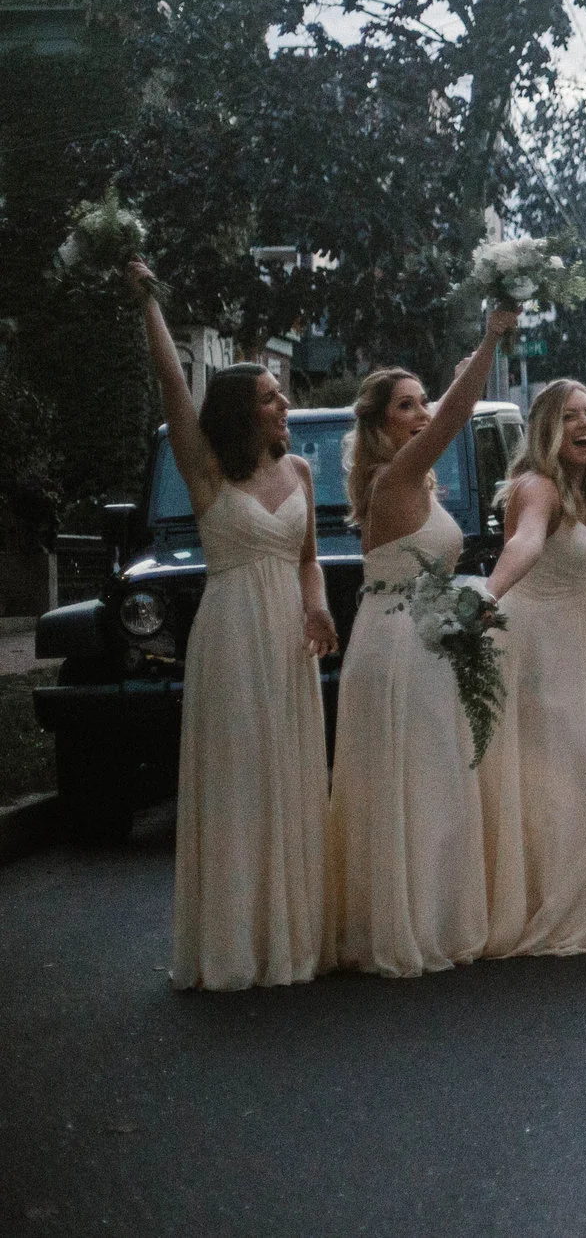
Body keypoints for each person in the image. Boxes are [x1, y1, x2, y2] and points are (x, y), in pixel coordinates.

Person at [127, 262, 334, 990]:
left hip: (287, 635)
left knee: (292, 776)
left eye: (281, 395)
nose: (284, 405)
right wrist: (150, 297)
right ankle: (237, 941)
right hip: (232, 633)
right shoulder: (207, 468)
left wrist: (319, 603)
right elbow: (171, 383)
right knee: (242, 780)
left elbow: (308, 559)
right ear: (242, 409)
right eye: (272, 397)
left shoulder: (303, 472)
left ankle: (292, 934)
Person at [328, 303, 519, 977]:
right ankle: (407, 923)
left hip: (417, 636)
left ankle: (432, 912)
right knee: (415, 779)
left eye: (420, 403)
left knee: (432, 779)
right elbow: (456, 413)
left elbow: (453, 399)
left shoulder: (416, 483)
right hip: (396, 644)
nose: (420, 412)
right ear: (383, 424)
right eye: (406, 406)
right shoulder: (395, 478)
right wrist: (493, 334)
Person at [476, 379, 586, 957]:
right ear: (546, 430)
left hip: (579, 635)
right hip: (537, 637)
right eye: (570, 418)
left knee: (585, 770)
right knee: (569, 773)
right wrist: (485, 597)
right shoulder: (538, 486)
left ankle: (572, 897)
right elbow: (525, 545)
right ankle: (547, 904)